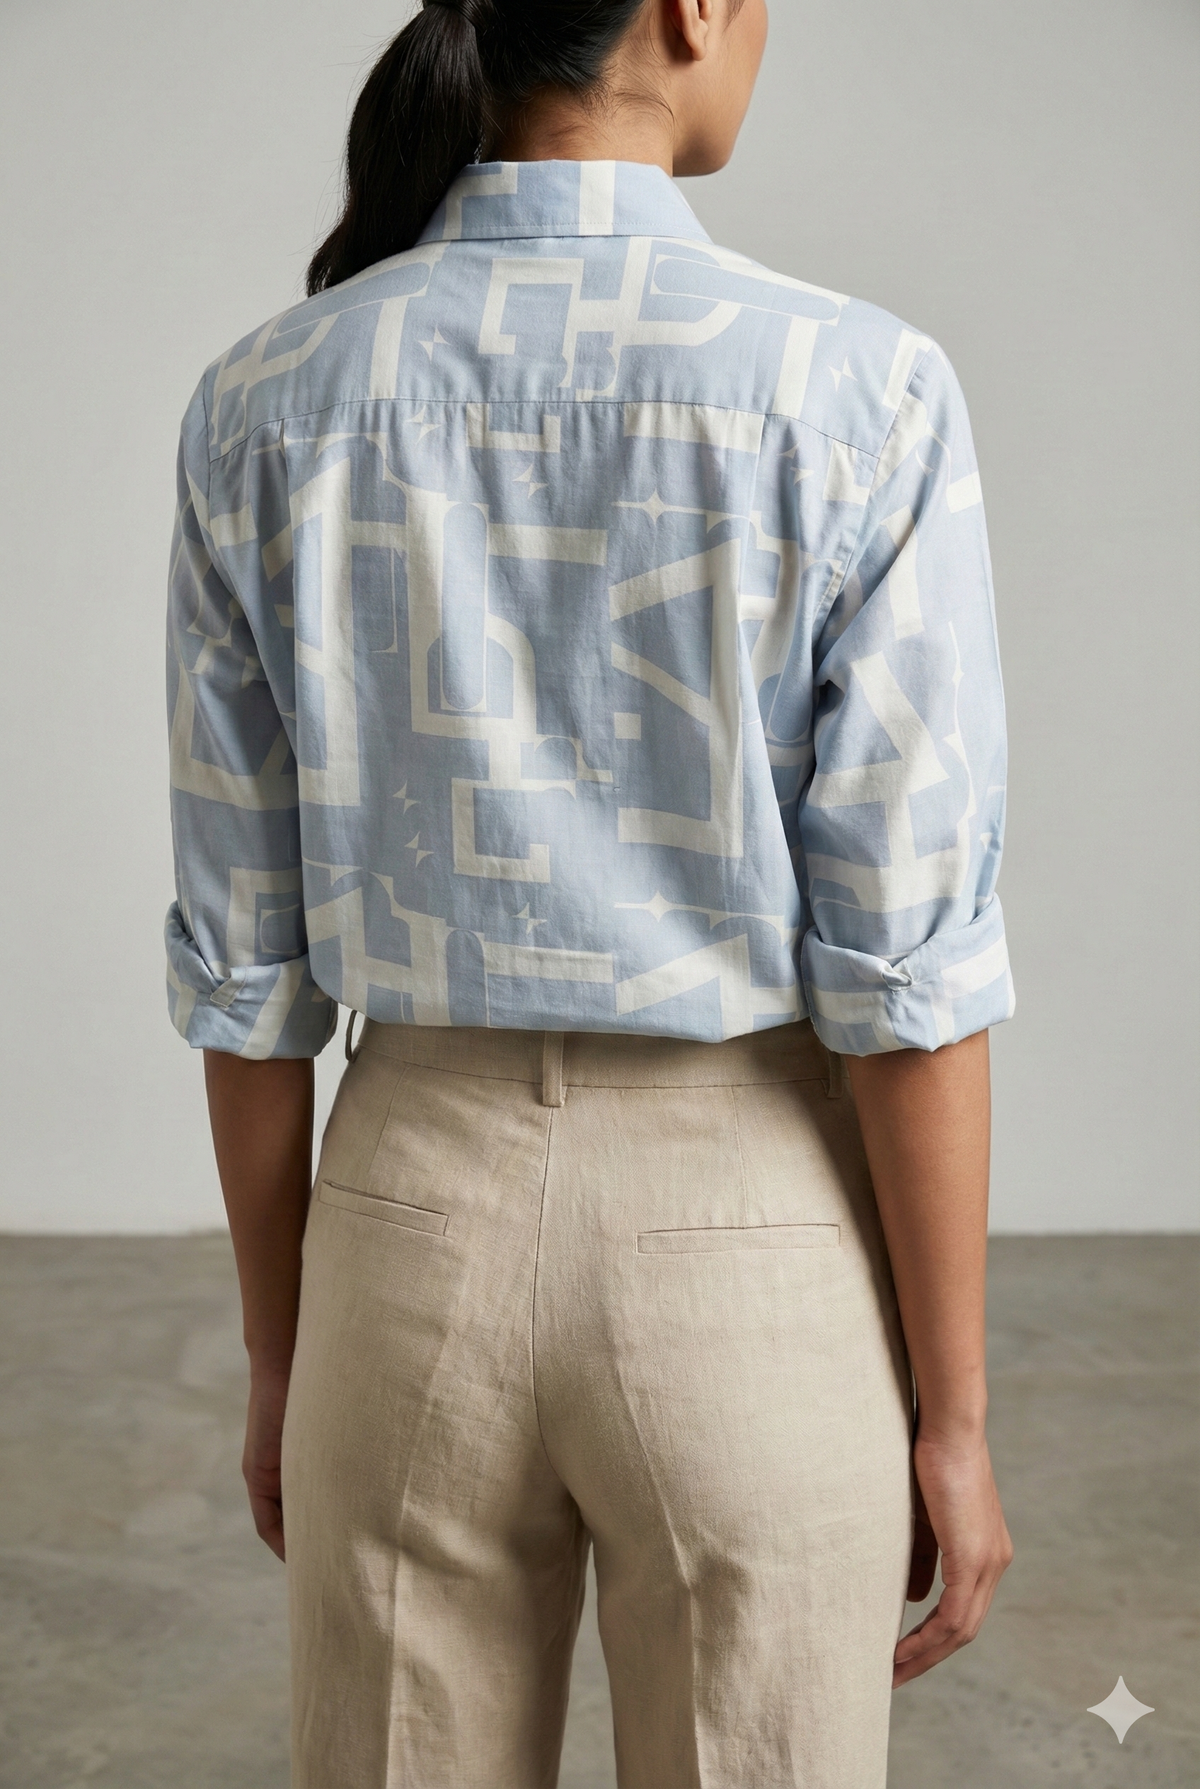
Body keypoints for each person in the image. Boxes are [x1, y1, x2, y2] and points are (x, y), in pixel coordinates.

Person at [164, 1, 1015, 1782]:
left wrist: (282, 1353)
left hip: (404, 1228)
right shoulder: (857, 390)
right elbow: (907, 974)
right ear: (691, 8)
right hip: (750, 1242)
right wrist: (955, 1412)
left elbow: (246, 972)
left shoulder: (264, 397)